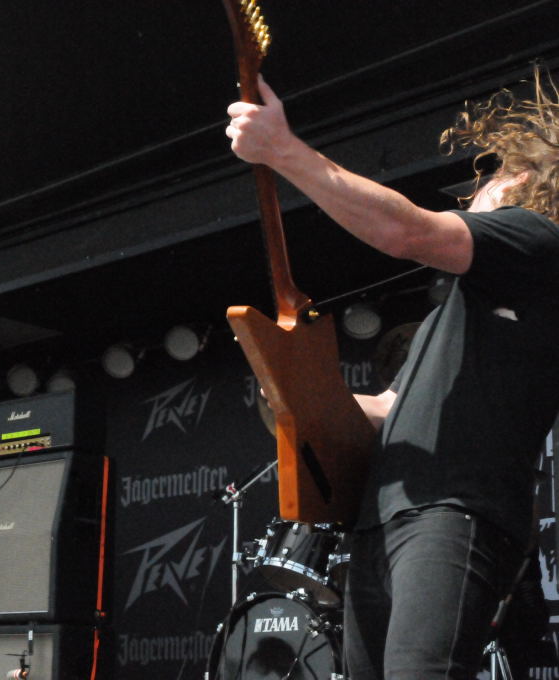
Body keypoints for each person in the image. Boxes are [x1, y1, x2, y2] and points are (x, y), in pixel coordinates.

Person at [227, 64, 559, 679]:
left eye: (488, 181)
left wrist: (284, 151)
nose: (473, 196)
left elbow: (406, 231)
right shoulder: (453, 317)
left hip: (454, 509)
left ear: (521, 181)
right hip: (382, 522)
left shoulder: (535, 238)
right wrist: (296, 390)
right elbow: (385, 408)